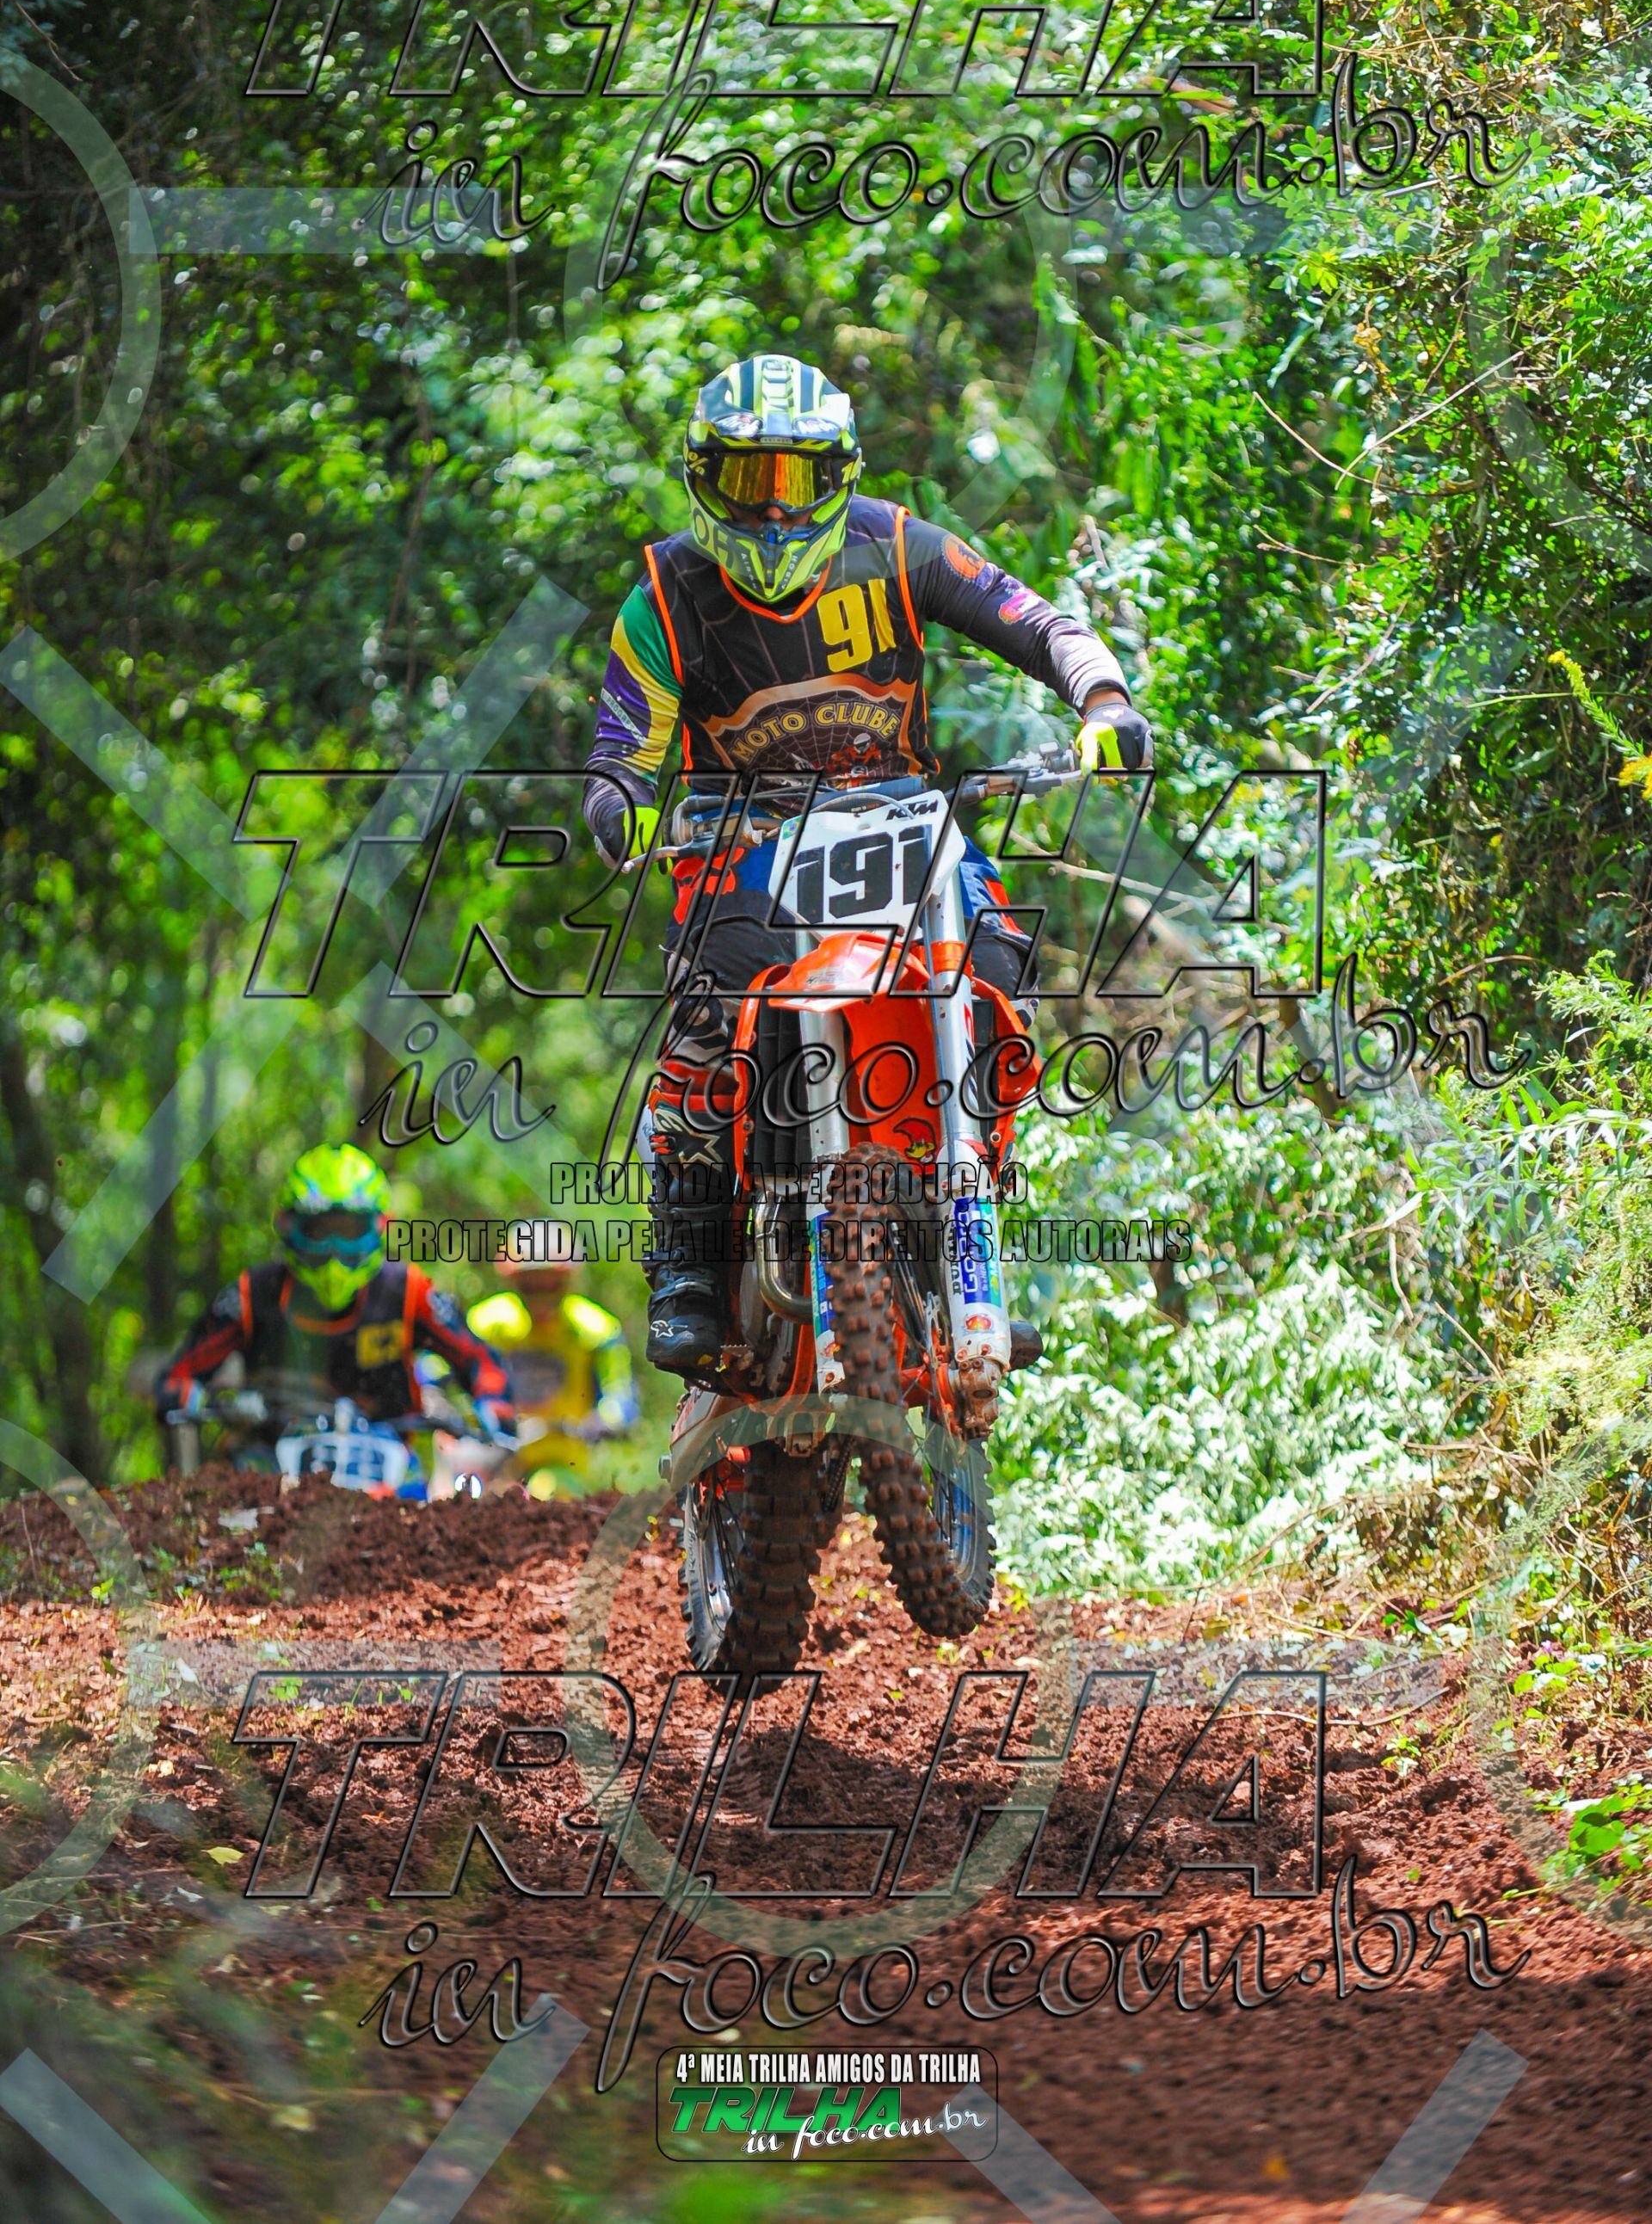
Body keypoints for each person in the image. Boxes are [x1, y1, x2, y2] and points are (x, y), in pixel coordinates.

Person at [581, 352, 1154, 1374]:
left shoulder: (897, 546)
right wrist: (620, 805)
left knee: (998, 970)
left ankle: (972, 1218)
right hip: (741, 843)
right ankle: (688, 1266)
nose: (774, 510)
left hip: (904, 824)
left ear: (839, 474)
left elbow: (1034, 621)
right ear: (703, 479)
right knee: (705, 1021)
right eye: (748, 479)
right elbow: (622, 746)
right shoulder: (665, 593)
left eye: (797, 478)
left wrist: (1103, 700)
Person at [154, 1142, 514, 1433]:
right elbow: (179, 1375)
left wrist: (493, 1402)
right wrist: (188, 1397)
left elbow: (479, 1359)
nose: (334, 1250)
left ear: (379, 1227)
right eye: (320, 1231)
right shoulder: (254, 1293)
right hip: (267, 1460)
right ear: (289, 1226)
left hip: (389, 1461)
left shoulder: (407, 1291)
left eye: (349, 1232)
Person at [466, 1230, 639, 1495]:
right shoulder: (486, 1324)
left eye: (549, 1282)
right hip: (490, 1455)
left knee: (550, 1493)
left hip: (560, 1463)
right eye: (531, 1283)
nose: (540, 1292)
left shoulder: (594, 1330)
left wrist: (604, 1421)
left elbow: (620, 1392)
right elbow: (442, 1369)